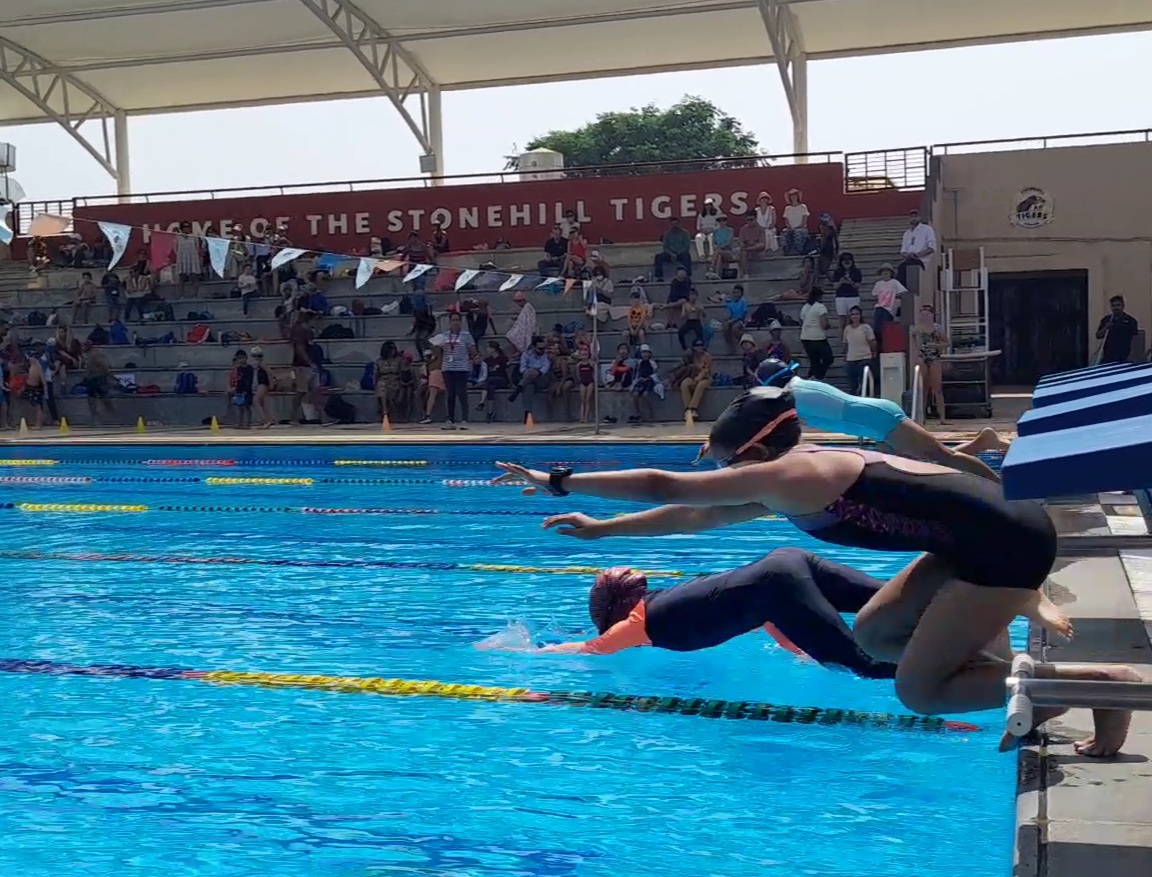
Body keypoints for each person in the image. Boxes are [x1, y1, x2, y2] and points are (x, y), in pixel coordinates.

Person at [495, 388, 1142, 756]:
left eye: (724, 463)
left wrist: (560, 480)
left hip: (1004, 543)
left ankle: (1083, 684)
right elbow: (692, 518)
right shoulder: (790, 482)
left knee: (918, 692)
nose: (721, 476)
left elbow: (668, 483)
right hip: (978, 539)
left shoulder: (794, 473)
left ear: (749, 453)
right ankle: (1008, 676)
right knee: (878, 632)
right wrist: (600, 529)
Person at [506, 547, 896, 679]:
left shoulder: (639, 624)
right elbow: (771, 613)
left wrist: (532, 653)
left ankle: (955, 684)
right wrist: (807, 653)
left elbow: (591, 650)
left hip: (780, 583)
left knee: (866, 667)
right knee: (903, 605)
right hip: (787, 561)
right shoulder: (674, 595)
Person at [753, 357, 1004, 481]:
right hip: (875, 422)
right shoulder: (794, 391)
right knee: (909, 468)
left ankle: (1000, 486)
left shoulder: (791, 395)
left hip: (881, 420)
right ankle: (982, 443)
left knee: (941, 457)